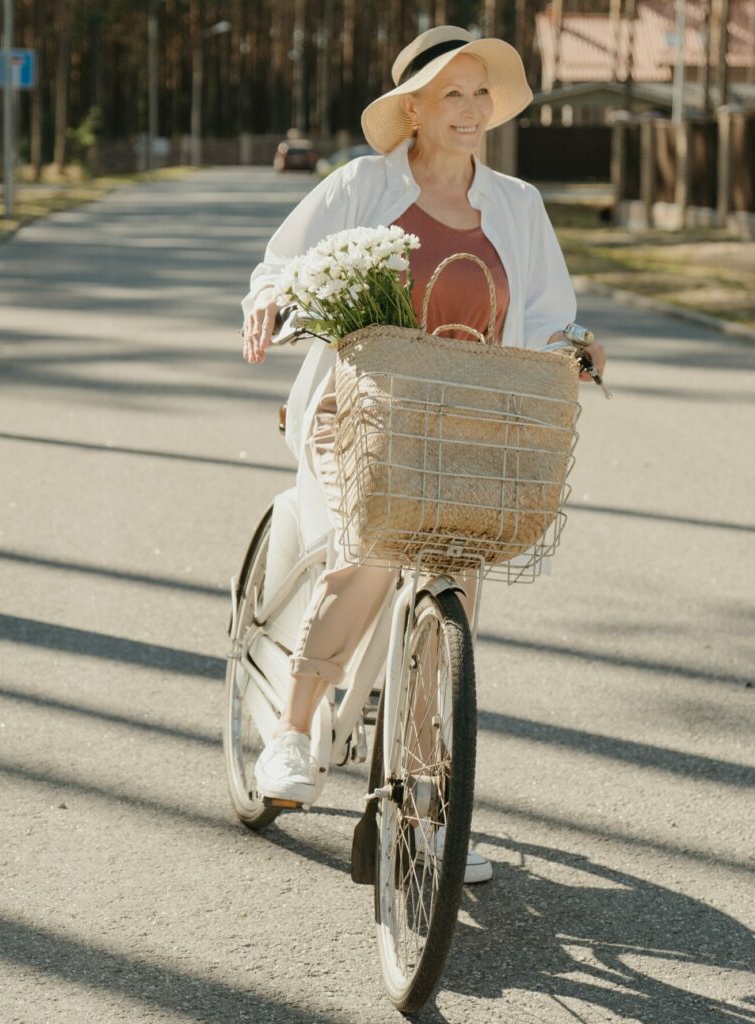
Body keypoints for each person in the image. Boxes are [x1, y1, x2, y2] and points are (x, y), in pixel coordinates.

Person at [240, 25, 607, 884]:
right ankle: (290, 734)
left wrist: (579, 345)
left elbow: (552, 314)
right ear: (414, 107)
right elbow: (281, 267)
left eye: (482, 94)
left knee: (456, 600)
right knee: (373, 553)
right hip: (360, 416)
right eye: (454, 94)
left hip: (470, 426)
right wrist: (268, 304)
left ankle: (428, 806)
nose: (474, 110)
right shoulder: (363, 185)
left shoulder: (517, 203)